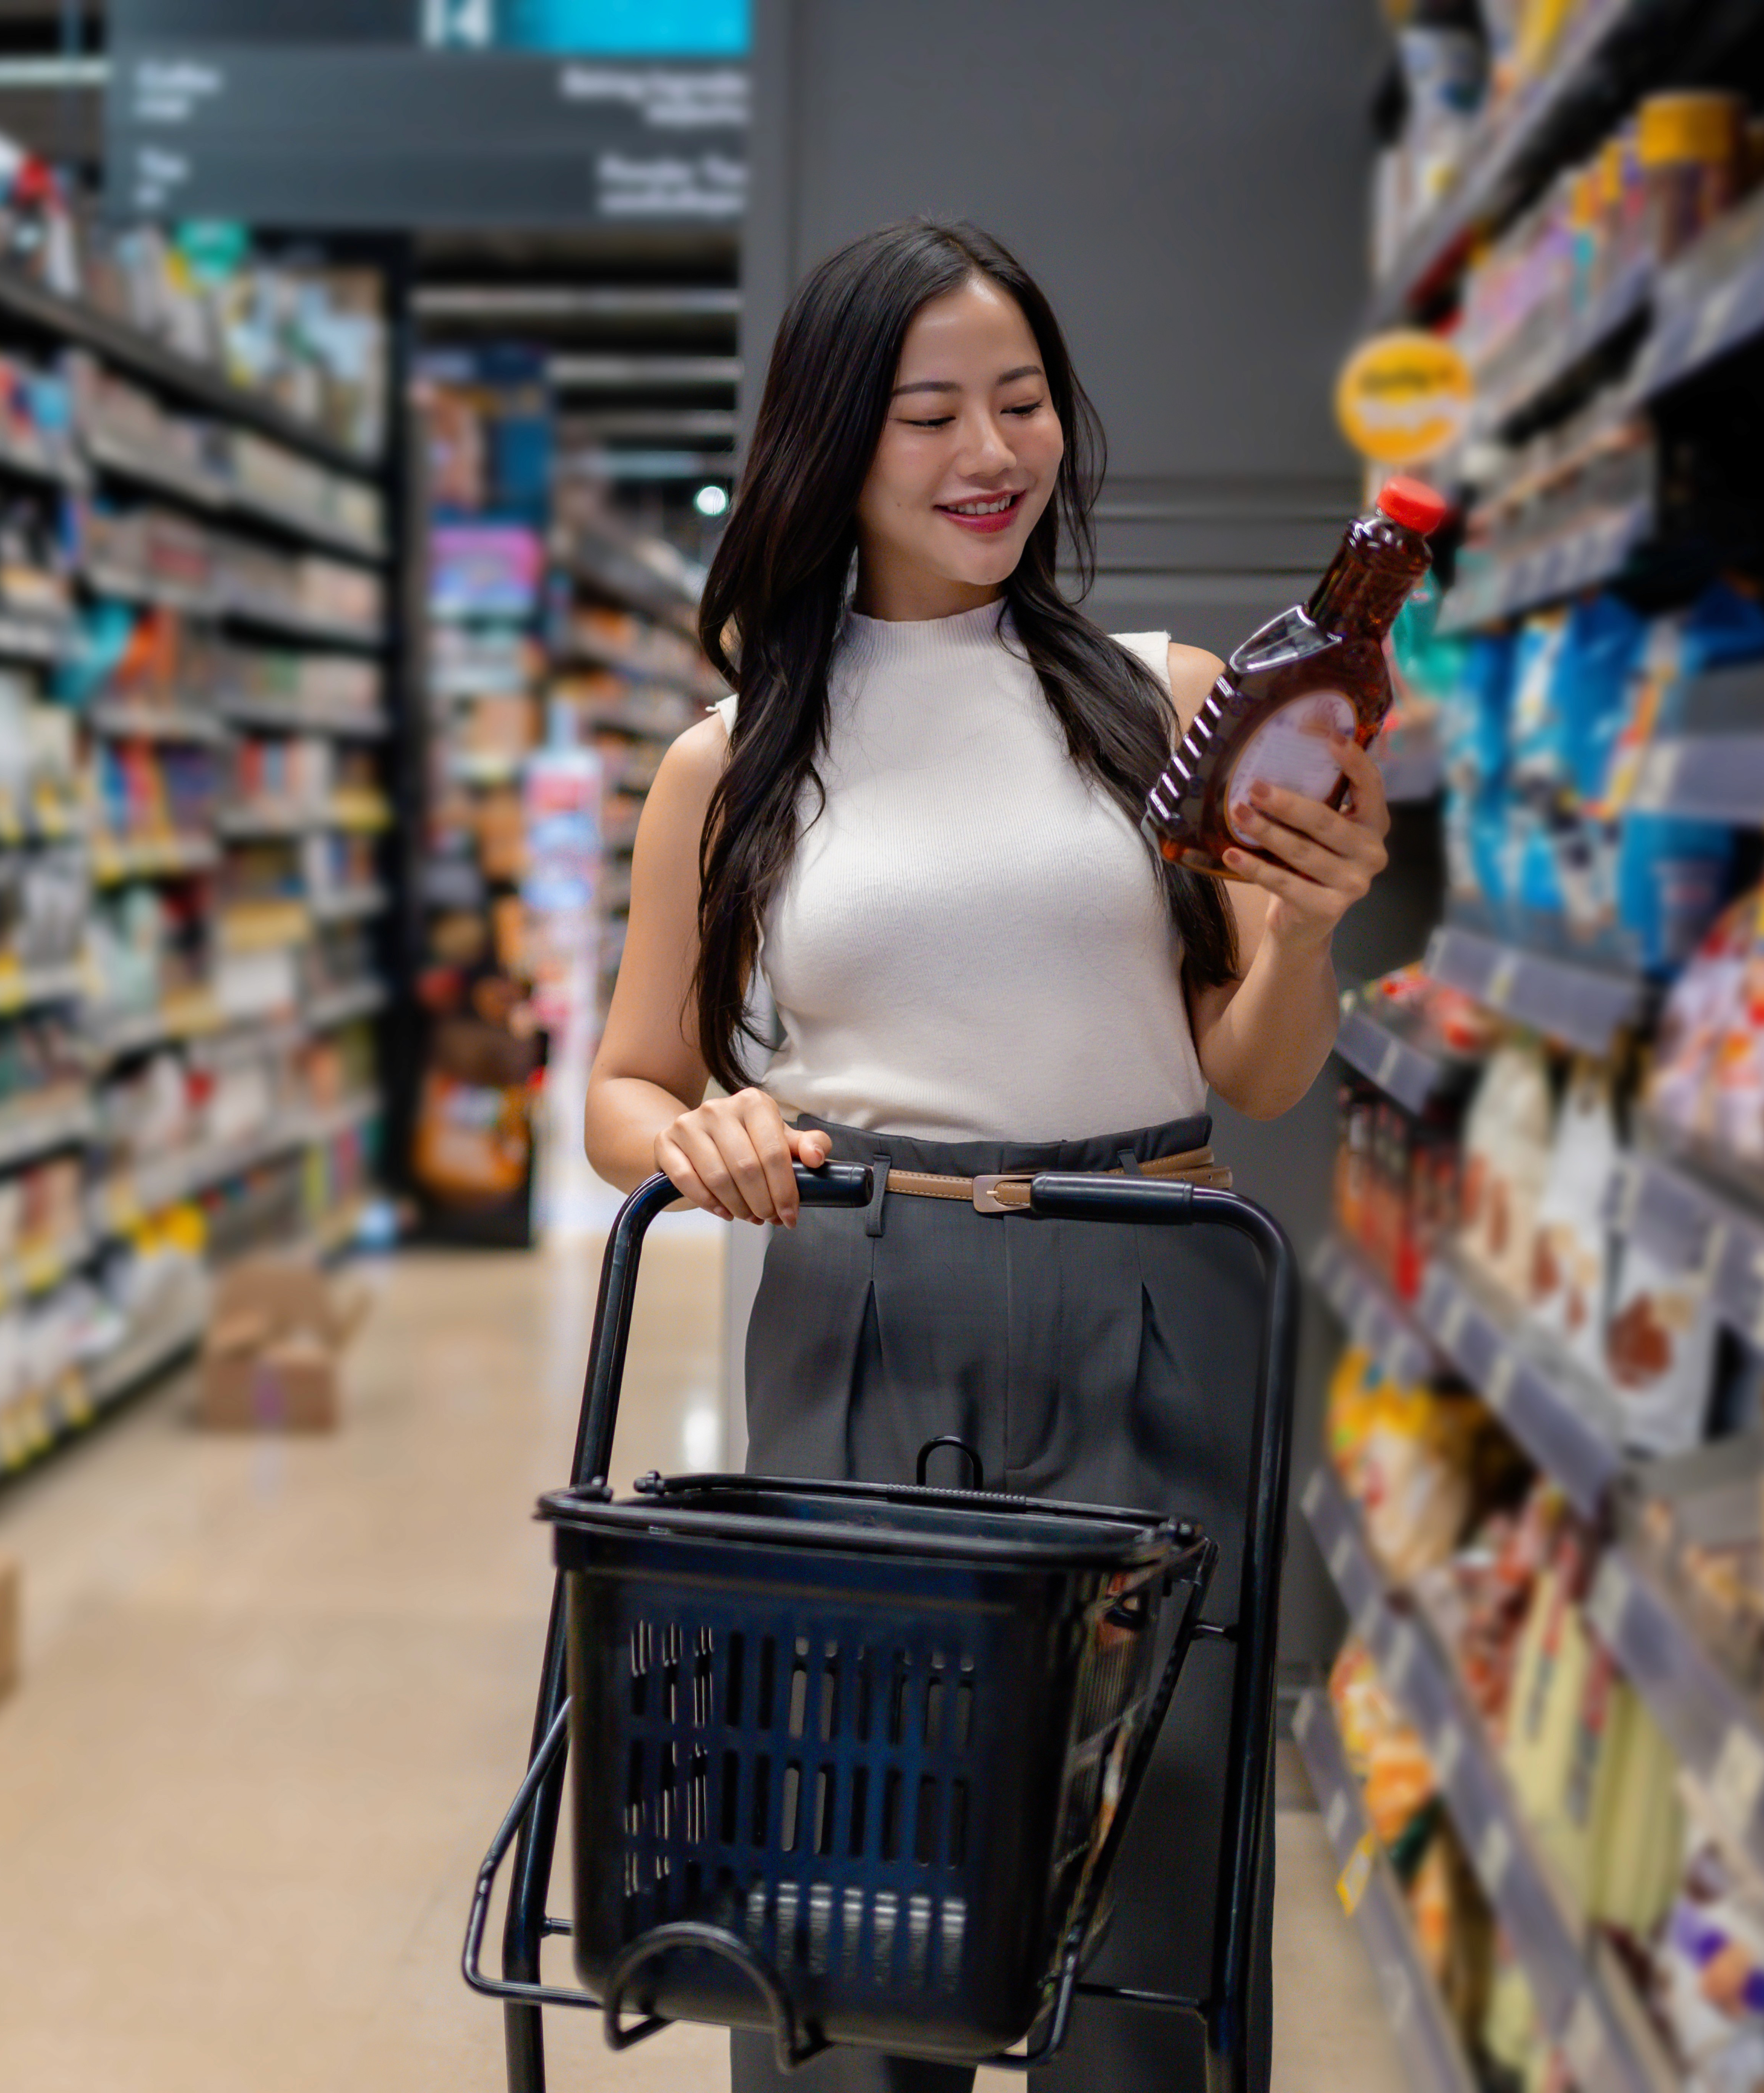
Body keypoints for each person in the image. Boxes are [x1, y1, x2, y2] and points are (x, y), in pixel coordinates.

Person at [582, 218, 1392, 2092]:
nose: (989, 453)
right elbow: (625, 1082)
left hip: (1159, 1274)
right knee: (850, 1867)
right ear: (829, 447)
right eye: (928, 410)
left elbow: (1247, 1071)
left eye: (1021, 401)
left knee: (1156, 1844)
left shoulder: (1160, 694)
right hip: (870, 1285)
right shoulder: (733, 760)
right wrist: (697, 1132)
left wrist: (1305, 930)